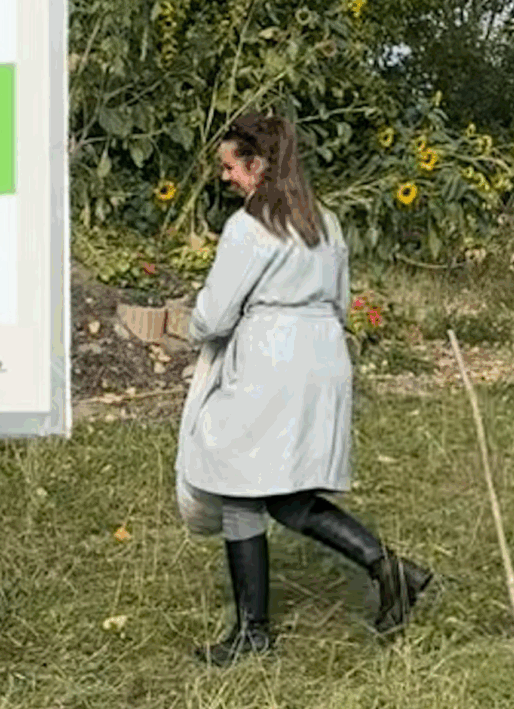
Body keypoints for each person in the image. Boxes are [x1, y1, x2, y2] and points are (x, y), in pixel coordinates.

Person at [178, 111, 432, 665]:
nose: (226, 177)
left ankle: (261, 628)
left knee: (250, 479)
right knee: (272, 490)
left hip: (273, 358)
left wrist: (189, 326)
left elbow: (216, 311)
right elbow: (340, 299)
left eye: (230, 166)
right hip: (322, 354)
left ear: (258, 164)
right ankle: (378, 572)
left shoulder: (249, 226)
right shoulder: (325, 222)